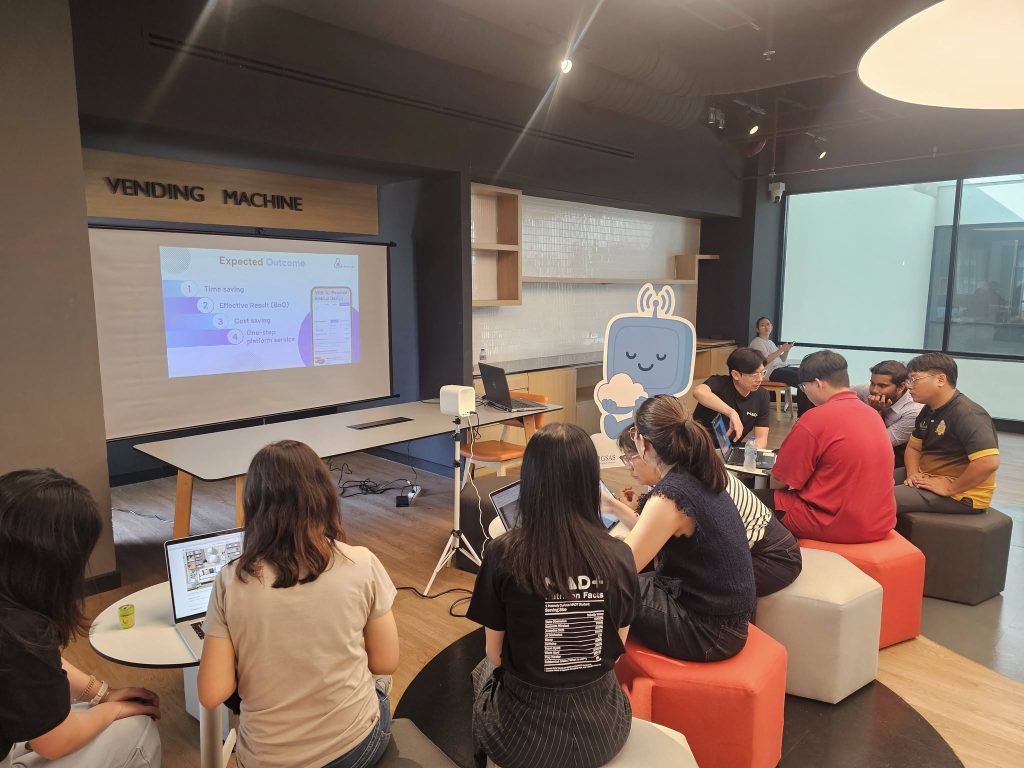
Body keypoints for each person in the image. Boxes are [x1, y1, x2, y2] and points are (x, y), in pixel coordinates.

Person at [198, 440, 399, 768]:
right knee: (382, 686)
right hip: (354, 750)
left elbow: (212, 692)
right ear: (323, 496)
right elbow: (386, 661)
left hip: (266, 760)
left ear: (254, 504)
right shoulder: (362, 562)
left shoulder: (231, 581)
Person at [467, 423, 638, 768]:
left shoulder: (503, 554)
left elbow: (495, 656)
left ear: (530, 479)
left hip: (520, 741)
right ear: (590, 481)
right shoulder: (621, 556)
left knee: (481, 671)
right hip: (604, 732)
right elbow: (616, 653)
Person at [0, 469, 161, 767]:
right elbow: (54, 742)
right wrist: (114, 710)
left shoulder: (15, 624)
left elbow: (32, 668)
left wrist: (102, 695)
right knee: (138, 730)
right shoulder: (19, 628)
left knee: (79, 713)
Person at [621, 394, 755, 661]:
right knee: (630, 581)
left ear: (644, 444)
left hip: (709, 634)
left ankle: (596, 675)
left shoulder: (670, 496)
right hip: (728, 621)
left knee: (598, 588)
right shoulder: (698, 471)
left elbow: (620, 567)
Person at [607, 419, 800, 597]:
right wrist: (615, 507)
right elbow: (653, 531)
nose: (628, 466)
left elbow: (648, 543)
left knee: (645, 586)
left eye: (630, 457)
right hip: (763, 548)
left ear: (647, 450)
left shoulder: (680, 489)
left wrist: (617, 510)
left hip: (773, 558)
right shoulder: (684, 471)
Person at [752, 350, 896, 543]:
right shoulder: (872, 414)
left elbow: (779, 481)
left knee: (742, 501)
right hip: (879, 522)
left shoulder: (815, 418)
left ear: (818, 384)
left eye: (804, 387)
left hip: (835, 523)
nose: (805, 392)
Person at [895, 353, 999, 515]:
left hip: (962, 494)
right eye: (909, 380)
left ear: (940, 380)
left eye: (914, 379)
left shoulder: (968, 414)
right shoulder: (928, 410)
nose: (909, 386)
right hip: (927, 476)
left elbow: (988, 462)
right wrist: (913, 474)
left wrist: (950, 488)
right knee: (868, 482)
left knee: (879, 498)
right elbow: (914, 448)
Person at [692, 346, 771, 447]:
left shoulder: (762, 395)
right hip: (699, 446)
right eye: (754, 375)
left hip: (730, 448)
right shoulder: (719, 383)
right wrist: (731, 413)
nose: (760, 379)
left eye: (762, 373)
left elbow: (761, 438)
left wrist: (751, 453)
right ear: (735, 375)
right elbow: (698, 392)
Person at [852, 360, 924, 468]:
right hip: (867, 440)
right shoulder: (866, 390)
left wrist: (875, 411)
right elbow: (840, 395)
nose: (874, 390)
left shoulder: (913, 411)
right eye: (872, 383)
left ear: (901, 387)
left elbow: (879, 443)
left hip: (898, 453)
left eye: (882, 386)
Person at [749, 316, 811, 415]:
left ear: (772, 327)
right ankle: (804, 415)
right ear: (757, 329)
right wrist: (781, 349)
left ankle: (812, 412)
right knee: (802, 379)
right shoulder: (757, 342)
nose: (766, 327)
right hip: (771, 372)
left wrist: (786, 350)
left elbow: (782, 359)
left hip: (781, 368)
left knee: (808, 374)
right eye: (762, 325)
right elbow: (764, 361)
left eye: (768, 324)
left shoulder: (770, 342)